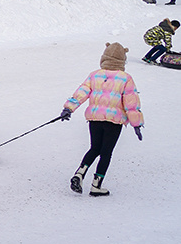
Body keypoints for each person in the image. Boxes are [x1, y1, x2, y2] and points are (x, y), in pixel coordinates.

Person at [60, 43, 143, 197]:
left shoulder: (95, 75)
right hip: (114, 121)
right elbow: (131, 103)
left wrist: (69, 108)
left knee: (94, 148)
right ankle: (96, 186)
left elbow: (82, 92)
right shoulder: (126, 78)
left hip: (95, 118)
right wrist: (136, 123)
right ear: (122, 60)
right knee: (106, 153)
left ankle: (79, 174)